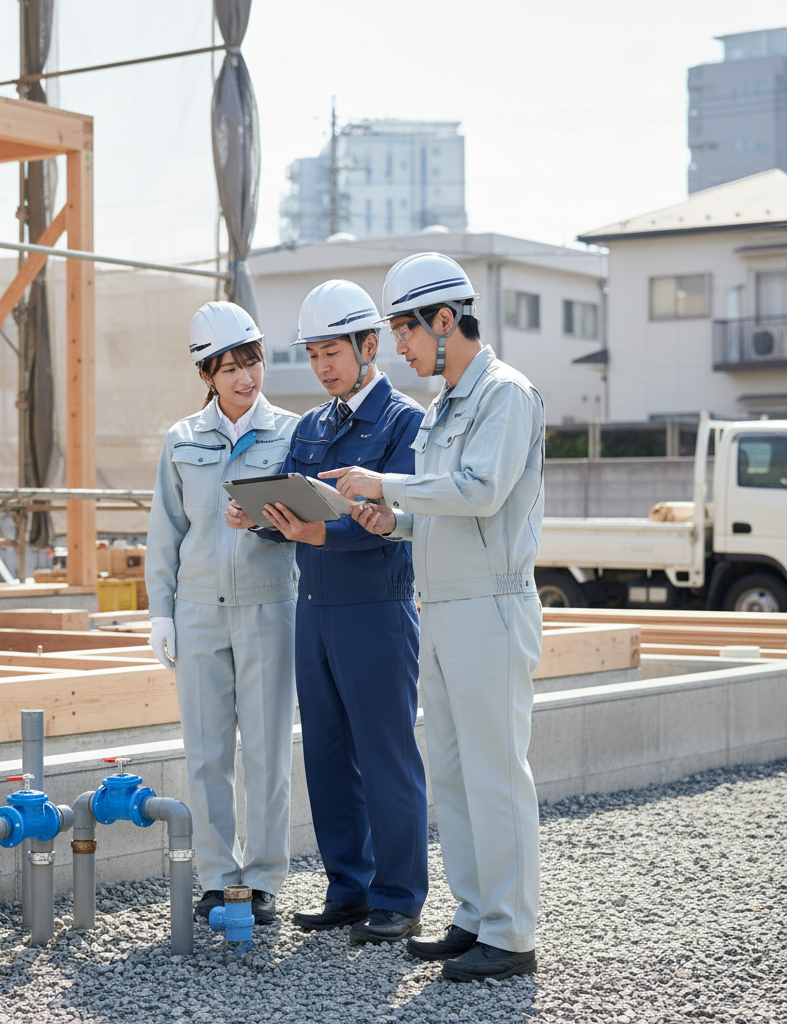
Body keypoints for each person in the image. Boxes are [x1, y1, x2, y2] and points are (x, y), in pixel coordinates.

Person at [325, 252, 545, 981]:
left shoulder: (506, 394)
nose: (399, 347)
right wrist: (391, 520)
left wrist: (386, 484)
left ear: (445, 320)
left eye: (406, 331)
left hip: (491, 605)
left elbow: (480, 492)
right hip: (445, 606)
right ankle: (475, 915)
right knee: (452, 774)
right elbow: (438, 511)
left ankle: (511, 933)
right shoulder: (447, 405)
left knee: (495, 774)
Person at [227, 279, 429, 944]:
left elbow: (398, 518)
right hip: (312, 609)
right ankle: (349, 887)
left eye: (332, 352)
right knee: (327, 754)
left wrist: (321, 533)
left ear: (370, 346)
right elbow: (292, 509)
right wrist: (257, 517)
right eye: (312, 354)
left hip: (376, 609)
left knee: (386, 754)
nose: (322, 367)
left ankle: (398, 895)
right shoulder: (311, 428)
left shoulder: (404, 422)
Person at [145, 300, 300, 926]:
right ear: (206, 374)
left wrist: (264, 522)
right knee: (206, 750)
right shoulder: (181, 440)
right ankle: (216, 876)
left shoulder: (292, 434)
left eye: (252, 362)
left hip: (269, 608)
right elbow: (166, 532)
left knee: (267, 751)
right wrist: (161, 613)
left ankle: (261, 879)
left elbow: (306, 525)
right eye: (229, 367)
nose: (245, 377)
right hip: (198, 612)